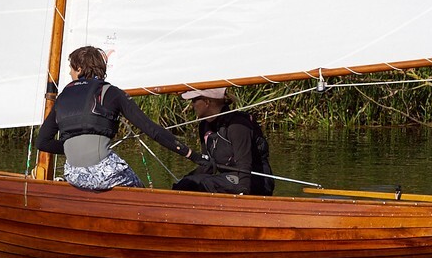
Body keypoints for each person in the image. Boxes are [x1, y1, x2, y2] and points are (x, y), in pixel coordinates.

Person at [36, 46, 211, 191]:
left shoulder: (63, 97)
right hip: (105, 174)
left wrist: (72, 146)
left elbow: (42, 142)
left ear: (80, 69)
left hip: (74, 175)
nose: (70, 73)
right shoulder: (111, 92)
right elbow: (152, 130)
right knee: (141, 191)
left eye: (71, 68)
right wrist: (193, 155)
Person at [172, 88, 274, 196]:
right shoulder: (204, 126)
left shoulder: (237, 125)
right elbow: (208, 165)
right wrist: (185, 181)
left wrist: (243, 193)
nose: (192, 105)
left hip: (256, 180)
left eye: (194, 100)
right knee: (188, 183)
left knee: (207, 183)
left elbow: (244, 165)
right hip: (228, 178)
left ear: (207, 102)